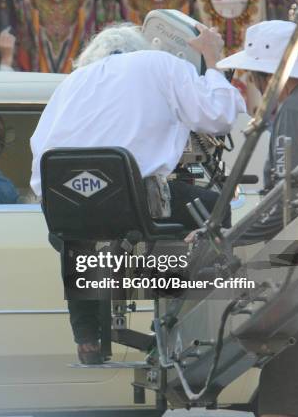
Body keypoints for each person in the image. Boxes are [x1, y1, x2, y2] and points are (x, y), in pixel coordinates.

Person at [29, 22, 246, 364]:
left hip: (63, 216)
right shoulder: (159, 63)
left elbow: (40, 156)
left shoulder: (71, 83)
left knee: (82, 238)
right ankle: (184, 311)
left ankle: (88, 337)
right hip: (135, 210)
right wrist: (211, 57)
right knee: (215, 206)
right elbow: (218, 118)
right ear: (144, 47)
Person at [217, 20, 298, 417]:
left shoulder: (296, 107)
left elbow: (283, 204)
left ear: (269, 74)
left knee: (289, 382)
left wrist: (227, 238)